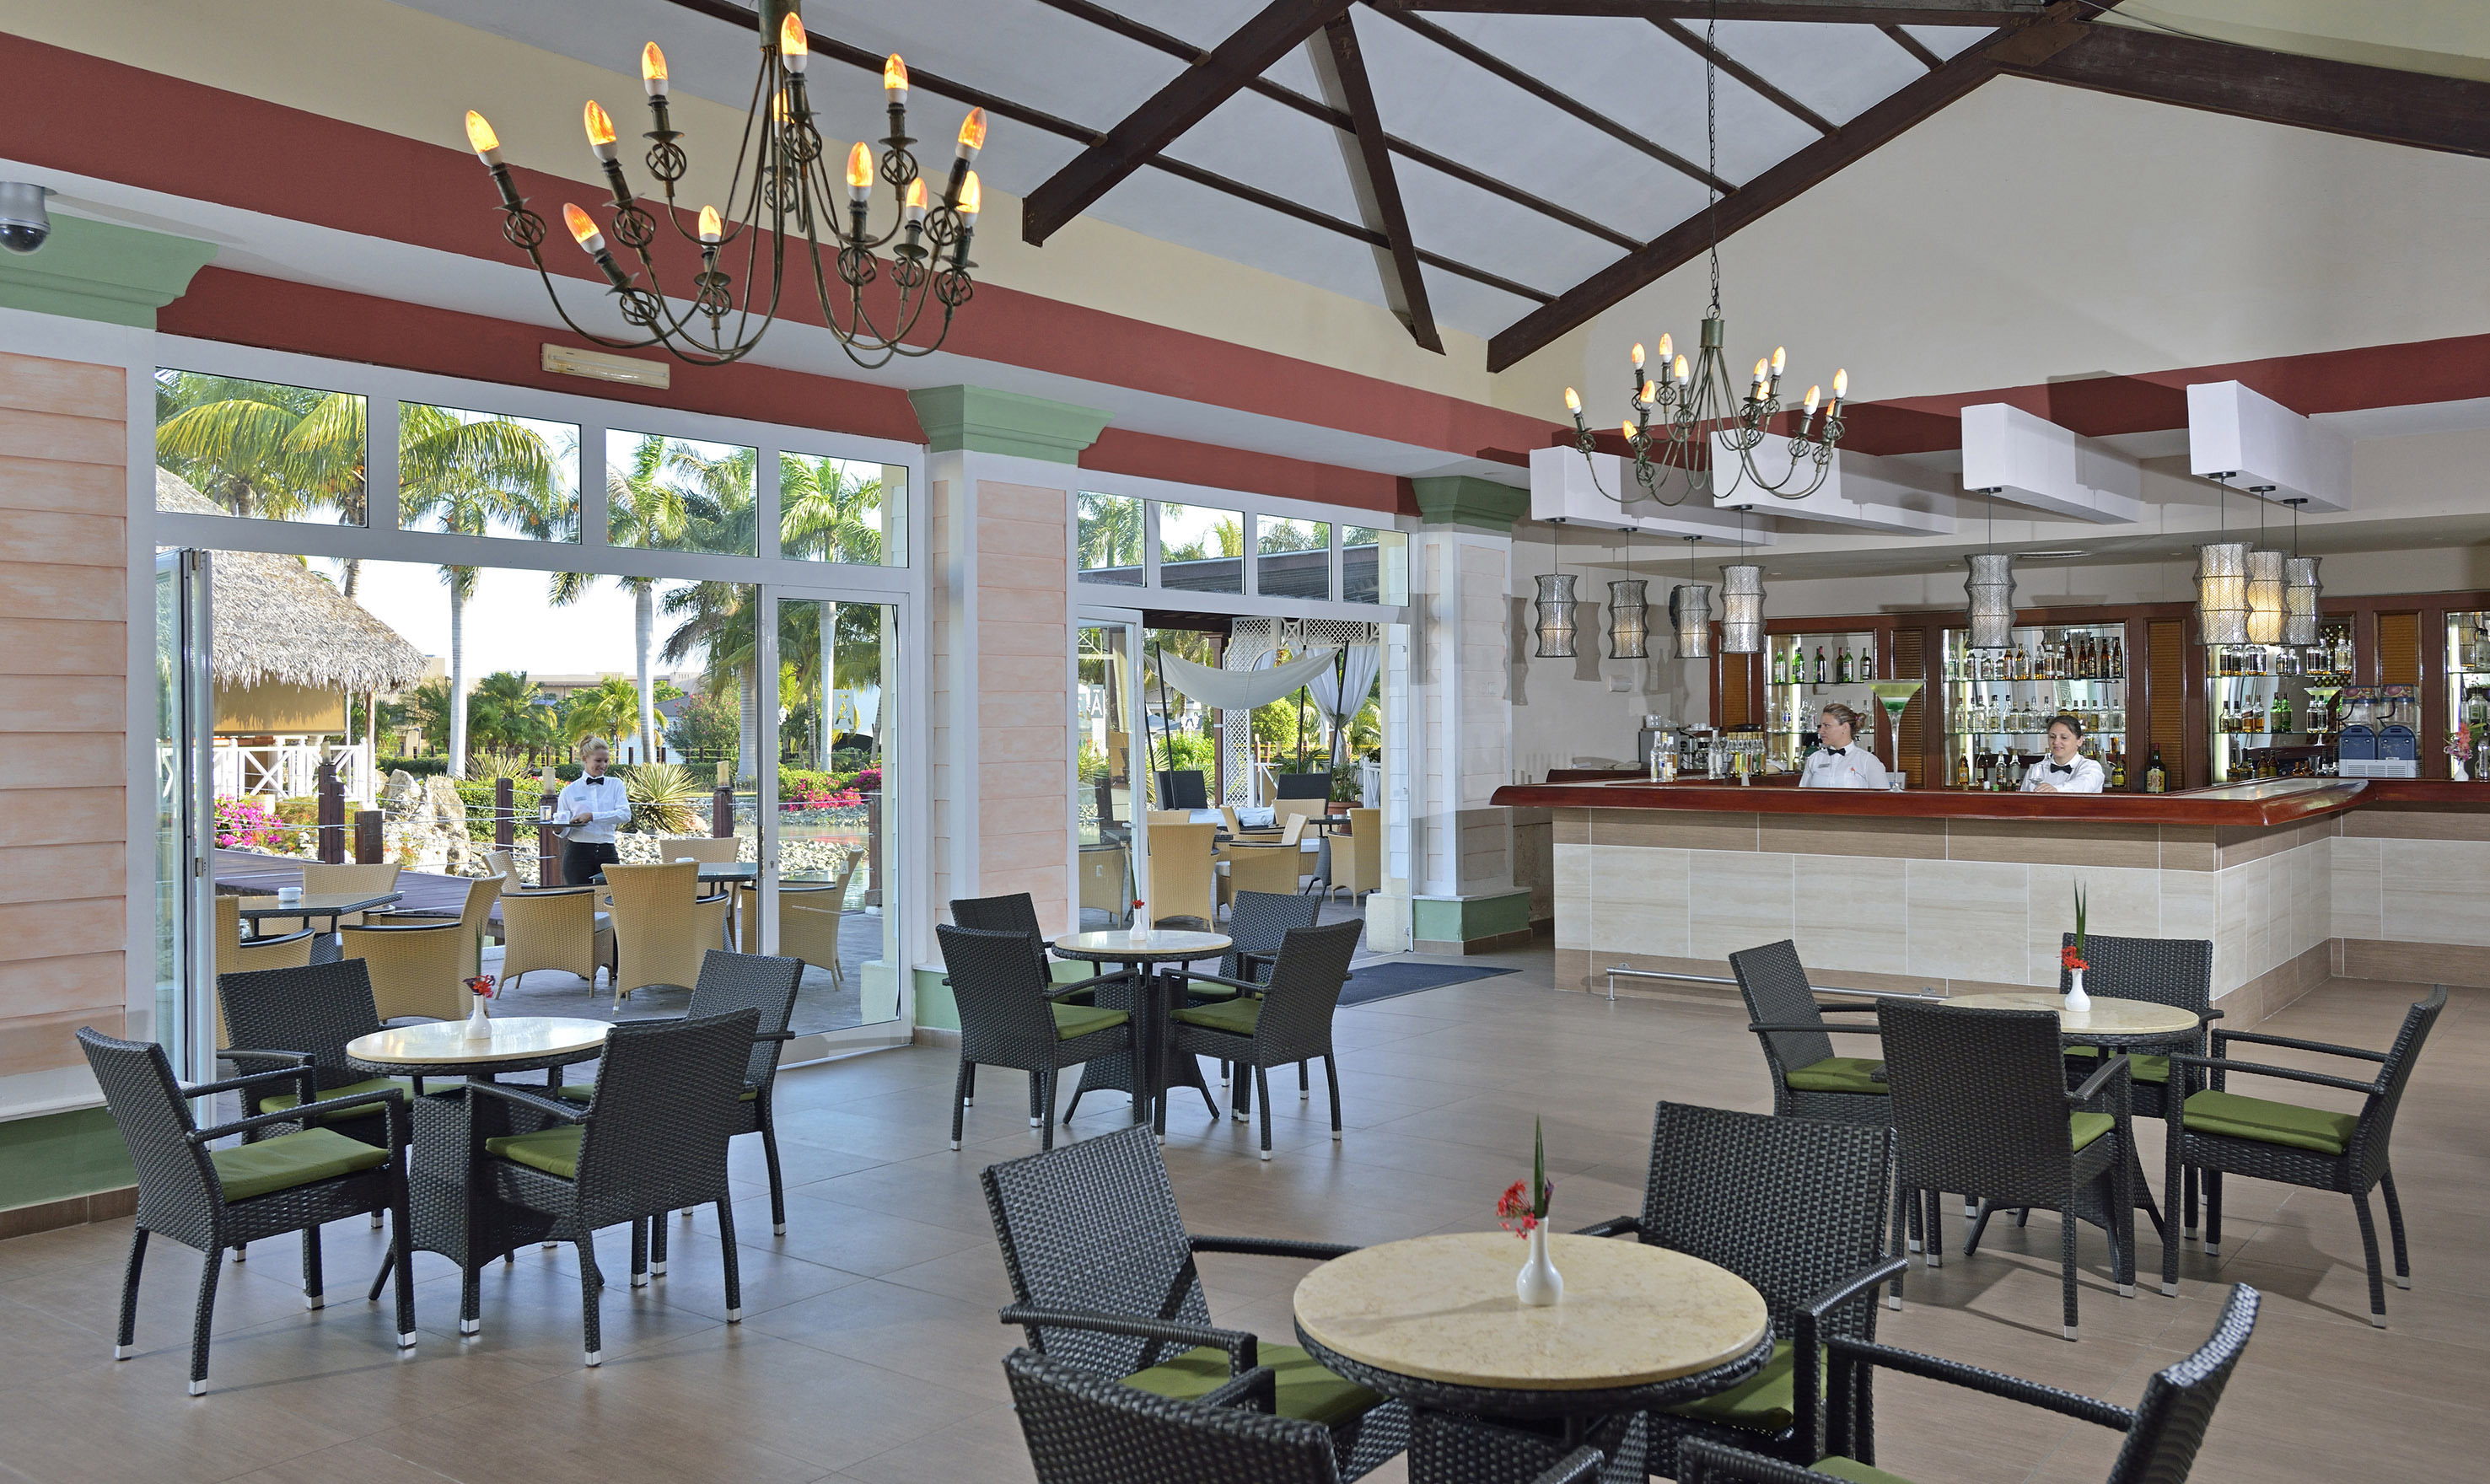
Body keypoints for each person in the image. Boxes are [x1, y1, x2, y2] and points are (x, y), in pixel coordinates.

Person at [555, 739, 632, 884]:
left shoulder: (616, 785)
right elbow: (563, 829)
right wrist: (558, 829)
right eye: (598, 760)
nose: (603, 765)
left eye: (606, 761)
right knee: (579, 897)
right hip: (577, 854)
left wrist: (592, 816)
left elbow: (625, 815)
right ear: (585, 759)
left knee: (611, 895)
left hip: (607, 850)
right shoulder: (569, 791)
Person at [1798, 703, 1890, 789]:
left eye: (1826, 725)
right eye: (1820, 726)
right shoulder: (1815, 759)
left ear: (1845, 727)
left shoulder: (1868, 761)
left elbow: (1882, 798)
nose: (1821, 731)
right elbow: (1803, 795)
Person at [2024, 714, 2107, 793]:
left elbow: (2082, 786)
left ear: (2080, 741)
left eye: (2064, 737)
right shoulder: (2037, 769)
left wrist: (2056, 790)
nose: (2056, 742)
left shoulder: (2091, 767)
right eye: (2052, 737)